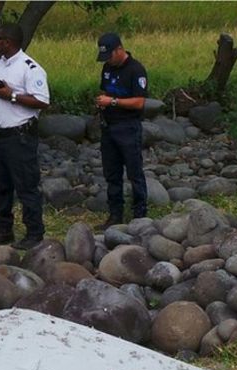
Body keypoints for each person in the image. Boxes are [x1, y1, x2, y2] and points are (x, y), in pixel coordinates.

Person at [0, 23, 50, 251]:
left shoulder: (30, 68)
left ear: (8, 42)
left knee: (26, 185)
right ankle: (3, 229)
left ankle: (34, 232)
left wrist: (12, 95)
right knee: (1, 185)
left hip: (20, 135)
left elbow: (42, 101)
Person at [94, 32, 148, 231]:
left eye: (109, 56)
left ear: (119, 49)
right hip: (109, 126)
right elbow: (106, 91)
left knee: (134, 172)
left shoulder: (136, 70)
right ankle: (115, 213)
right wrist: (102, 102)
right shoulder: (107, 68)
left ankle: (140, 213)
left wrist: (113, 102)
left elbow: (139, 102)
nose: (107, 60)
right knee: (112, 173)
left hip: (128, 126)